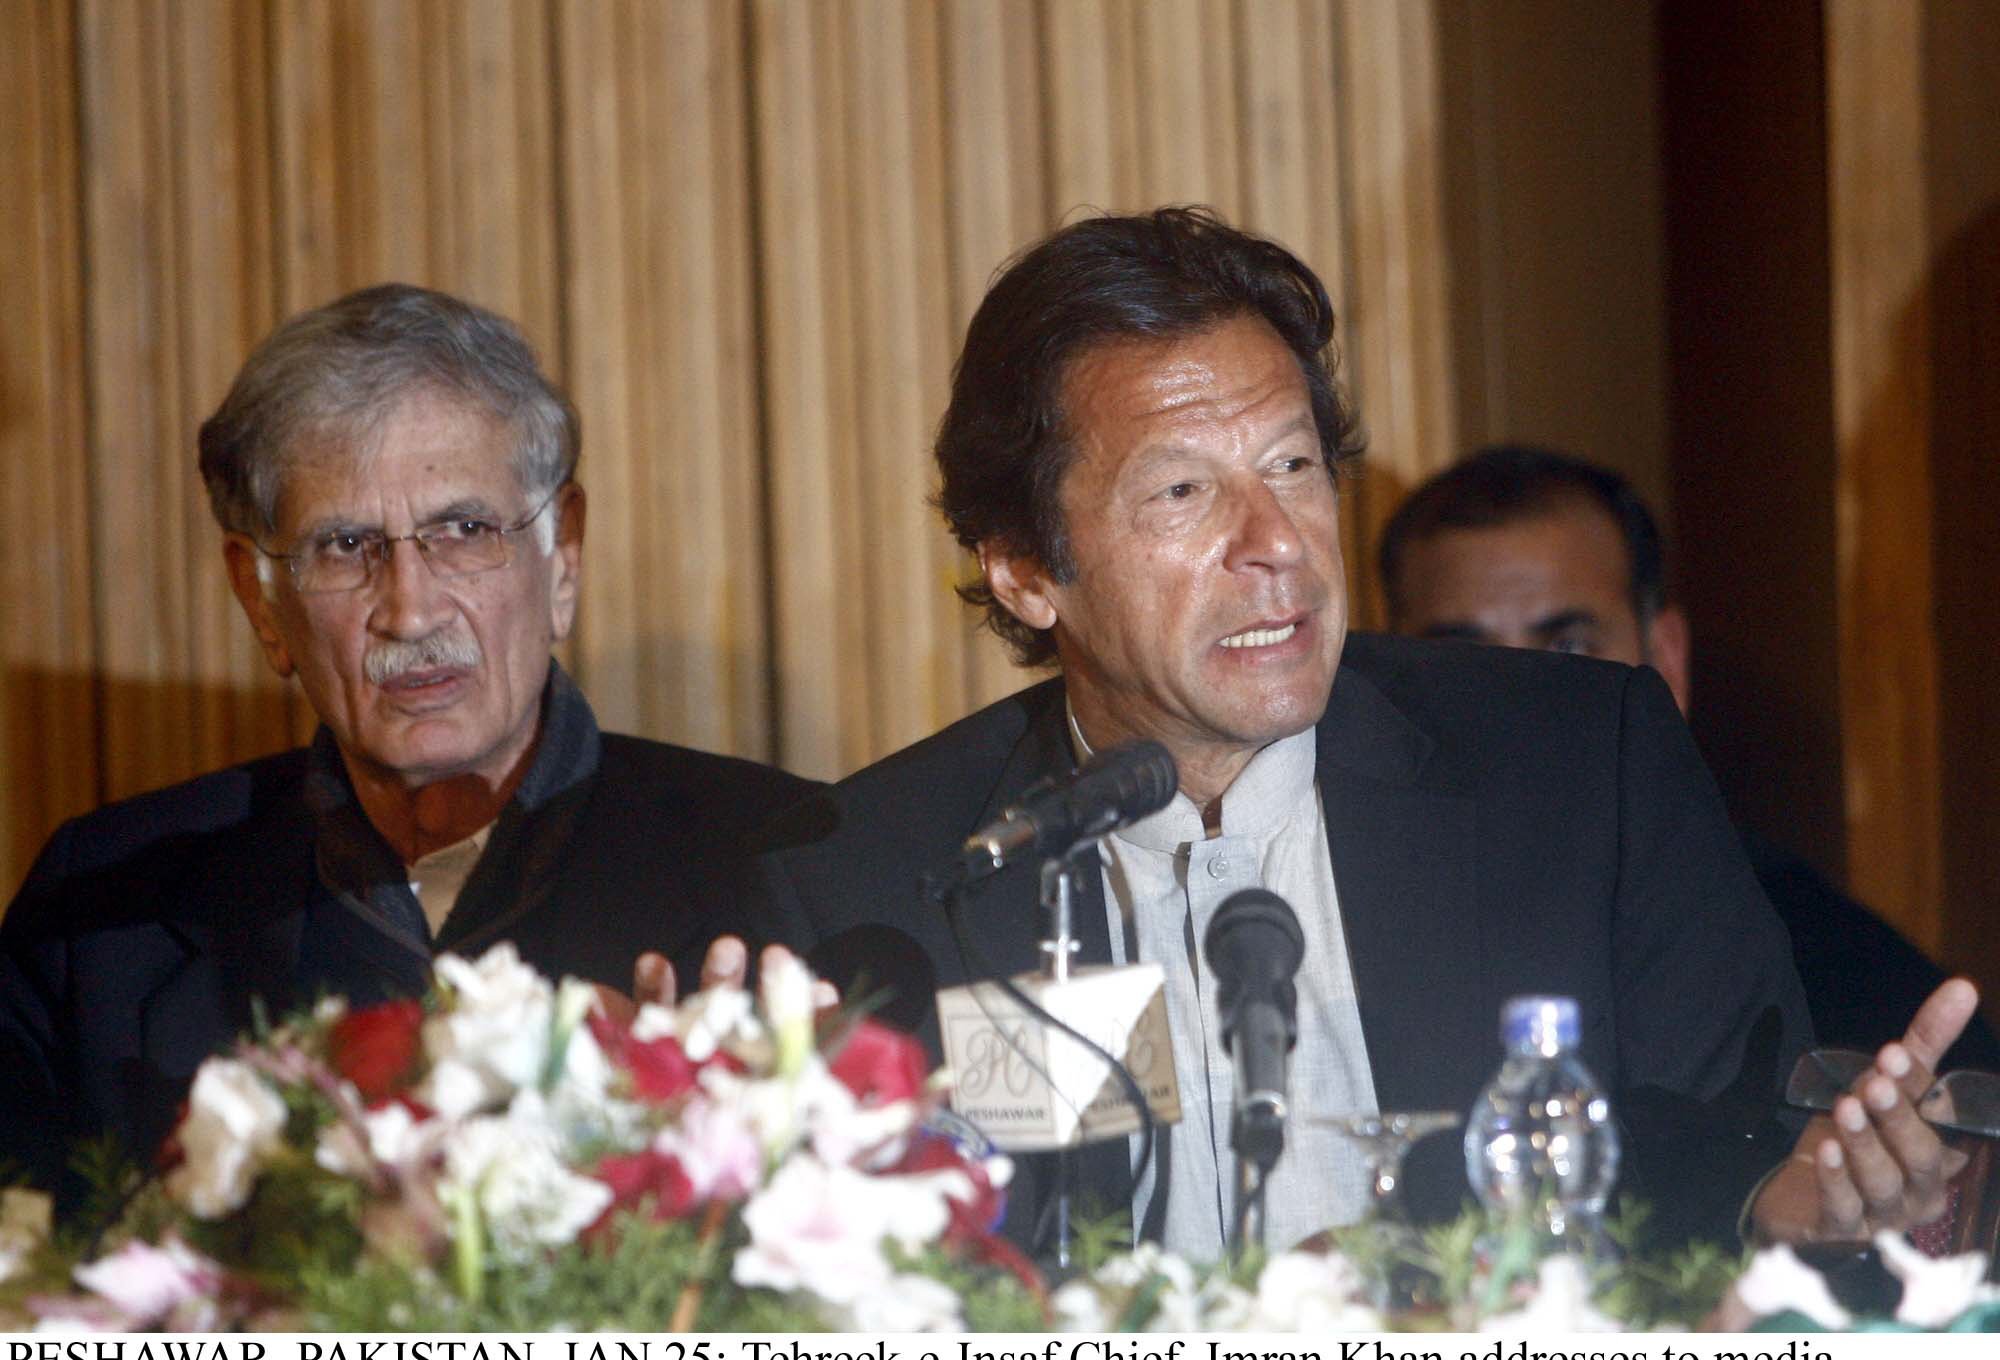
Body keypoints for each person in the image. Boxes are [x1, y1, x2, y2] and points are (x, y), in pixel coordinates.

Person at [743, 207, 1976, 1263]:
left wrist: (1800, 1195)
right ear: (1021, 569)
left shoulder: (1575, 770)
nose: (1273, 543)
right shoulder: (881, 882)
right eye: (1181, 492)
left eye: (1290, 465)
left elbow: (1730, 1139)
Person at [0, 284, 811, 1201]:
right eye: (344, 547)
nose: (411, 608)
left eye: (464, 530)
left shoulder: (780, 863)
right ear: (263, 602)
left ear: (565, 557)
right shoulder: (98, 922)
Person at [1378, 443, 1996, 1077]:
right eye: (1460, 659)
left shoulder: (1822, 961)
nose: (1521, 698)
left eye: (1568, 646)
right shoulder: (1341, 915)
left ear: (1665, 660)